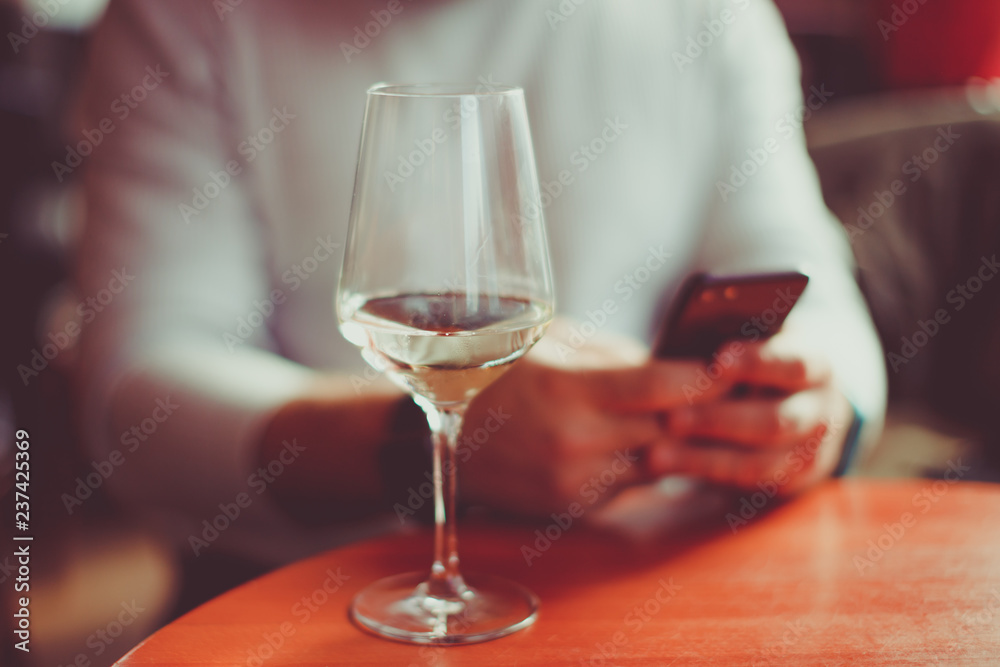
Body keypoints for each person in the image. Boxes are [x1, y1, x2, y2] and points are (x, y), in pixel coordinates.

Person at [72, 0, 886, 564]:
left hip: (639, 573)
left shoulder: (711, 15)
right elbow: (135, 398)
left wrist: (813, 410)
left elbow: (817, 299)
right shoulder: (183, 20)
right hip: (316, 591)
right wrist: (406, 443)